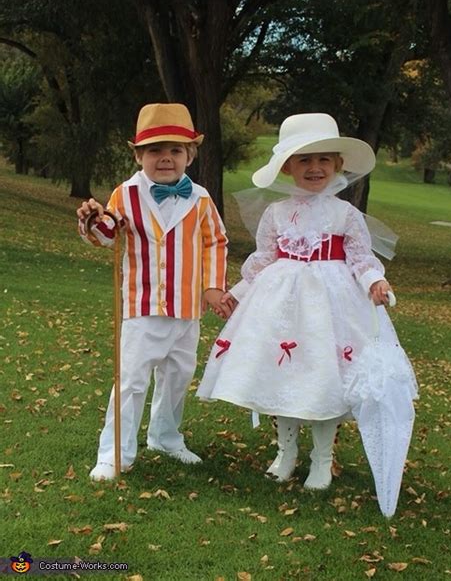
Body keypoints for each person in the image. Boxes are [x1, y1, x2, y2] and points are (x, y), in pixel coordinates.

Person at [197, 113, 406, 490]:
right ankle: (286, 451)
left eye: (324, 159)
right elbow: (263, 261)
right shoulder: (276, 213)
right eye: (305, 160)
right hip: (282, 308)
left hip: (331, 310)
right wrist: (237, 293)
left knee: (325, 382)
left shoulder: (346, 214)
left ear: (337, 165)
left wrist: (375, 280)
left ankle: (322, 459)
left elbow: (360, 257)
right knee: (284, 379)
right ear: (288, 166)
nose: (315, 168)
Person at [77, 103, 232, 481]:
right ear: (138, 155)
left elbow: (215, 243)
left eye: (175, 150)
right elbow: (107, 235)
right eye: (155, 151)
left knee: (178, 374)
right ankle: (115, 452)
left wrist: (212, 287)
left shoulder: (202, 199)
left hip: (185, 307)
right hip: (143, 306)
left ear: (190, 156)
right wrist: (93, 221)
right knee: (131, 380)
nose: (166, 158)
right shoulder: (125, 194)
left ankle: (165, 435)